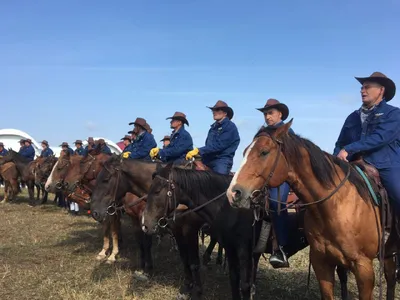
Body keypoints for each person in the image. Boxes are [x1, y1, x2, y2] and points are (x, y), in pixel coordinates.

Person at [334, 72, 400, 217]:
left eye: (367, 87)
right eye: (362, 88)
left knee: (398, 194)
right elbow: (341, 142)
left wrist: (348, 149)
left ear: (381, 90)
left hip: (385, 165)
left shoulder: (394, 114)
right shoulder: (352, 117)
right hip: (352, 164)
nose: (362, 91)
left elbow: (380, 138)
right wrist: (334, 161)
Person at [258, 99, 294, 268]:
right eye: (265, 114)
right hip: (263, 175)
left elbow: (291, 158)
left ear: (280, 114)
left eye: (270, 113)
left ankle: (282, 247)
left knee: (275, 203)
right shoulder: (262, 132)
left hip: (281, 176)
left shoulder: (287, 132)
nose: (267, 116)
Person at [186, 100, 240, 175]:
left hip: (221, 160)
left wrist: (198, 150)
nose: (214, 112)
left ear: (225, 113)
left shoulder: (230, 127)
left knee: (219, 182)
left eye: (217, 110)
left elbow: (219, 145)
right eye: (213, 110)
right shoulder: (213, 128)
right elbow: (209, 146)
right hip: (208, 160)